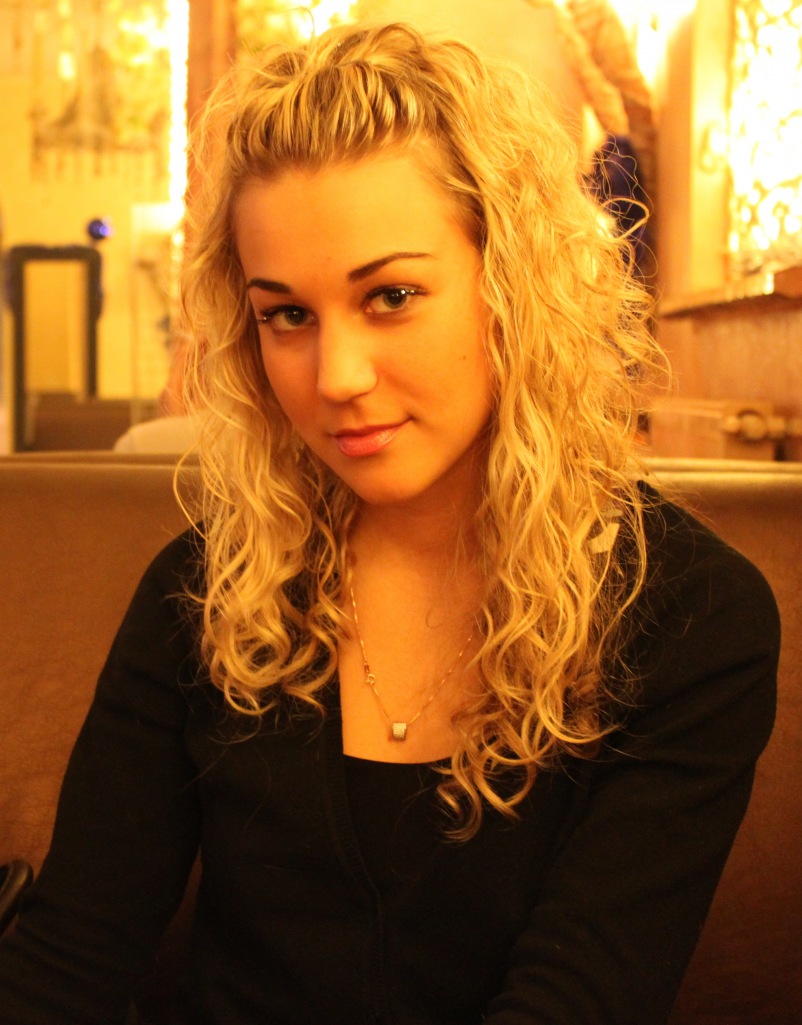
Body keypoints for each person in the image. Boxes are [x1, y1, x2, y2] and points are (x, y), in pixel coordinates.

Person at [0, 21, 779, 1025]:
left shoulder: (687, 613)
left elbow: (575, 998)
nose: (335, 377)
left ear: (512, 286)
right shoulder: (205, 591)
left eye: (392, 296)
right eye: (287, 314)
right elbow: (68, 957)